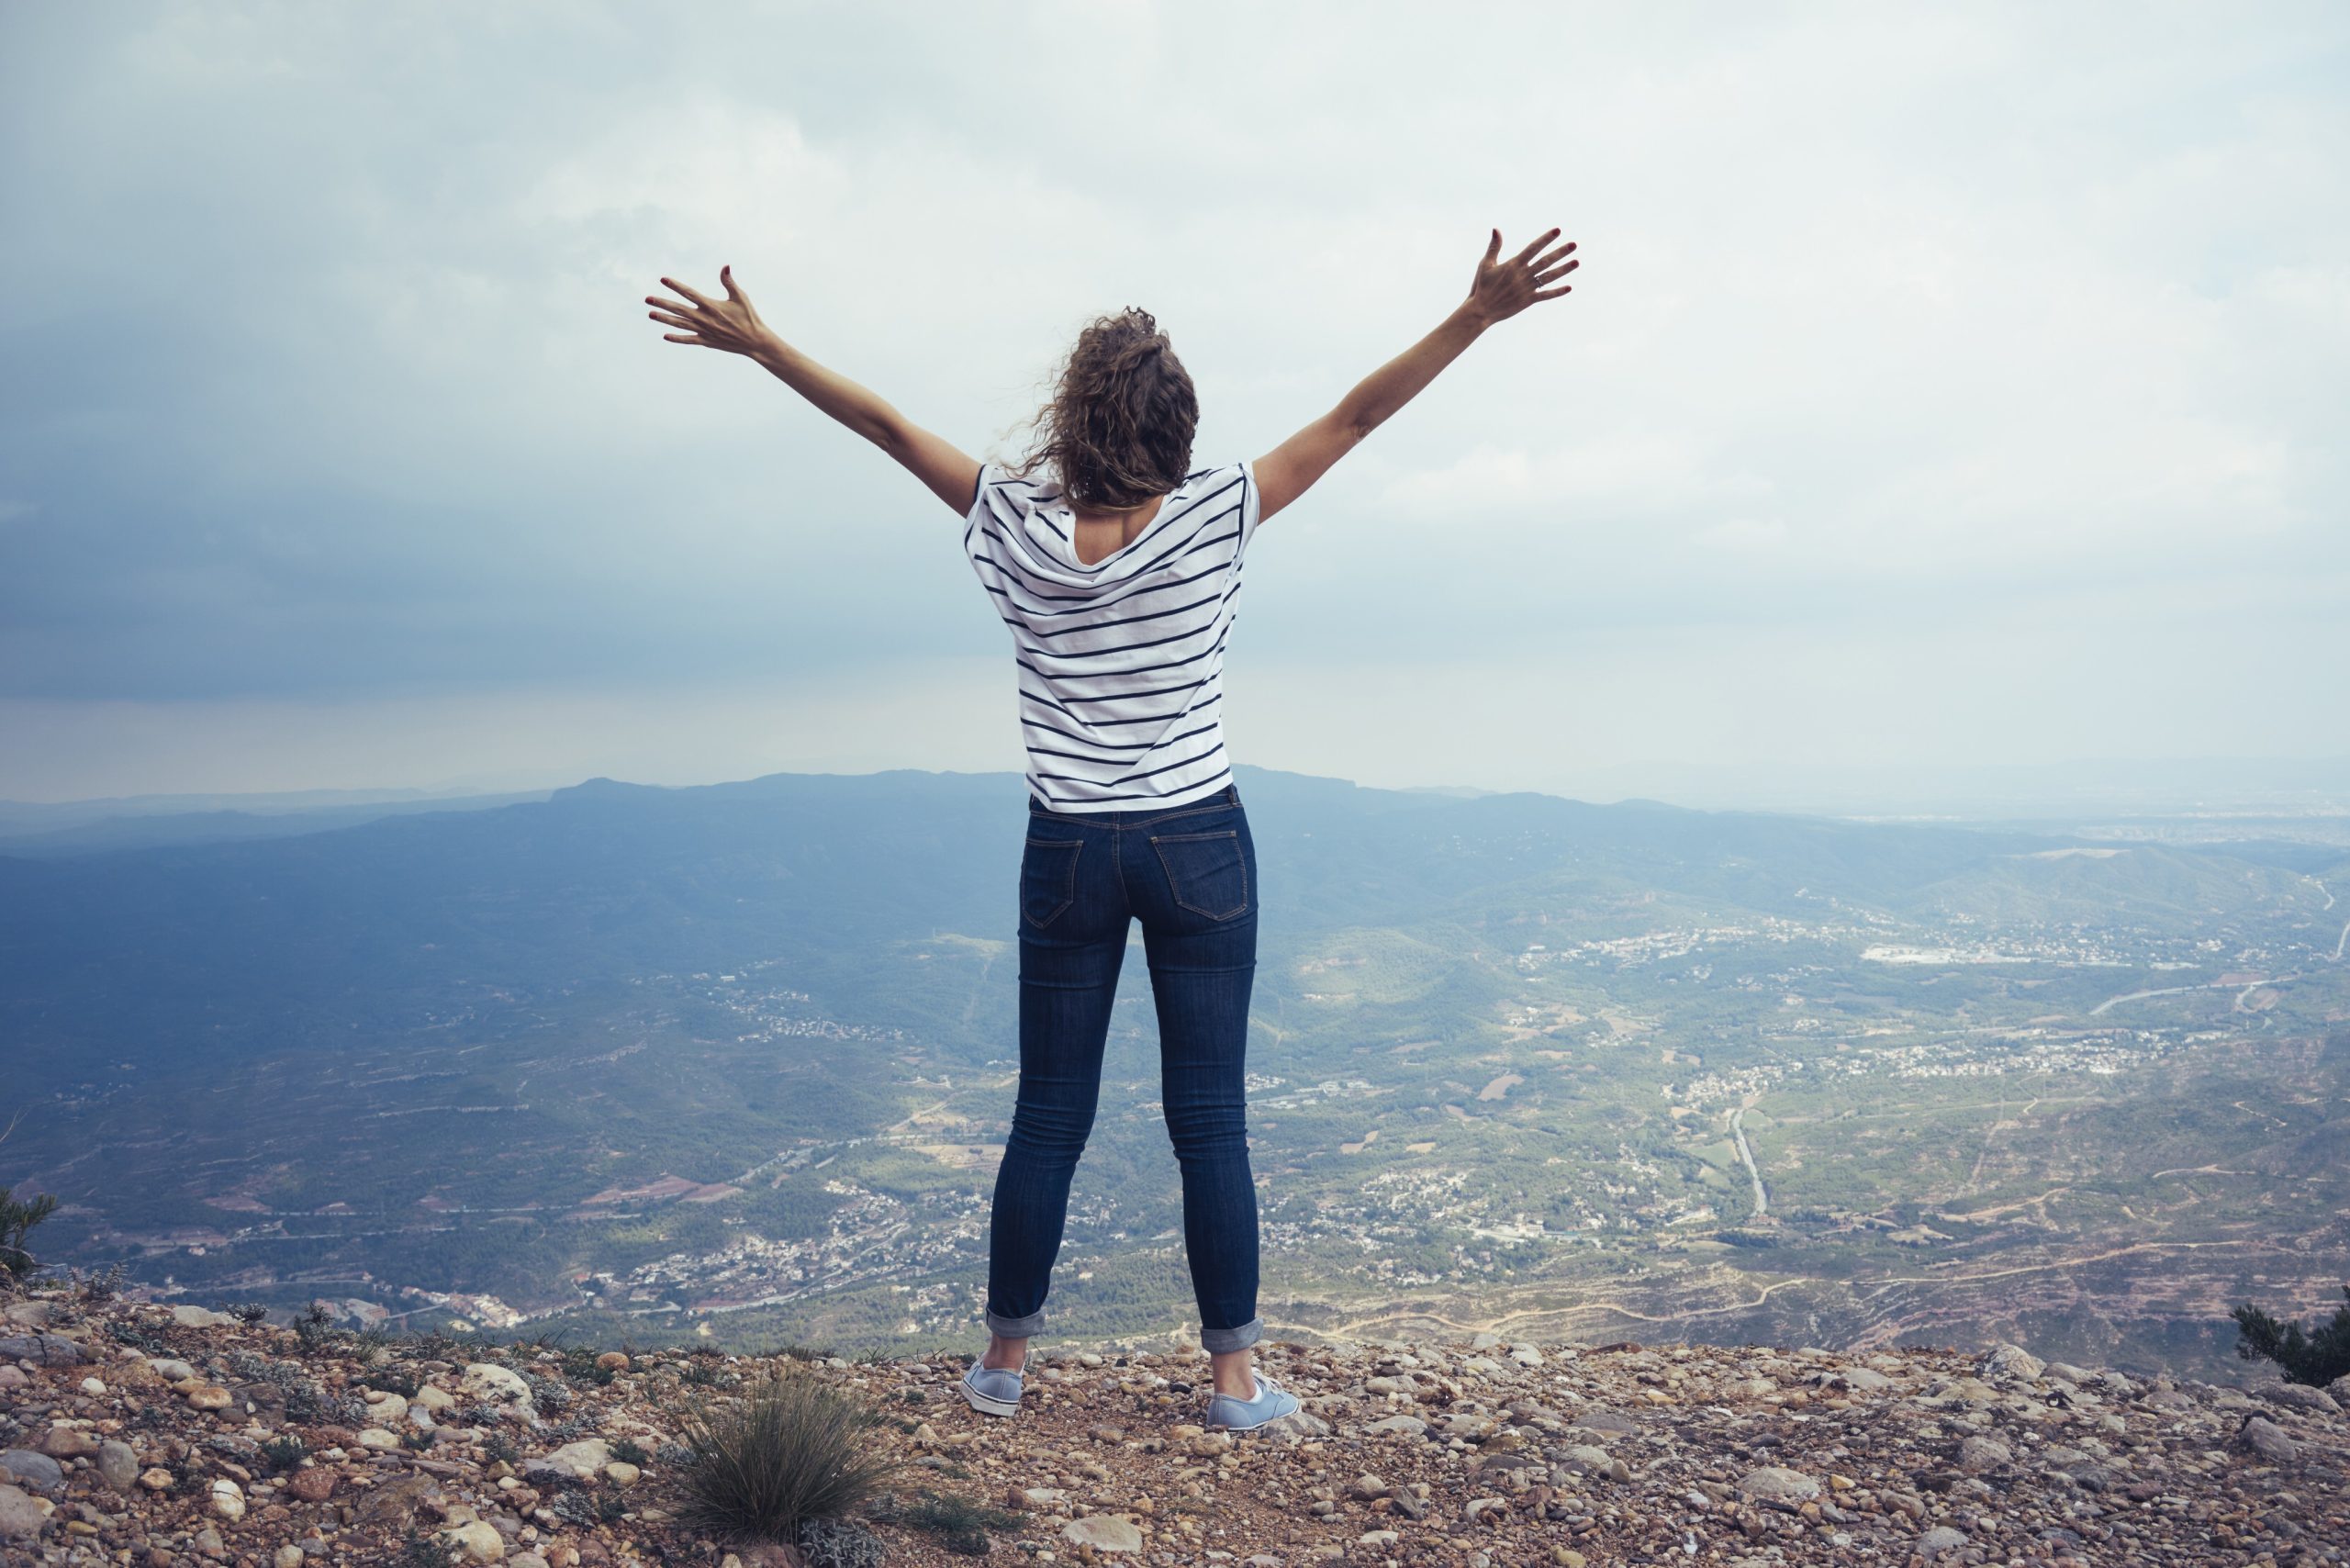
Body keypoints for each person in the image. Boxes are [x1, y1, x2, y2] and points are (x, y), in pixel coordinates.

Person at [643, 227, 1578, 1429]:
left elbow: (883, 429)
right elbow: (1352, 421)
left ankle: (1000, 1370)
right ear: (1177, 428)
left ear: (1073, 415)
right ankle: (1236, 1382)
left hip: (1069, 849)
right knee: (1209, 1118)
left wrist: (766, 348)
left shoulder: (1014, 524)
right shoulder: (1217, 514)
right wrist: (1475, 318)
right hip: (1196, 841)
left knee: (1048, 1114)